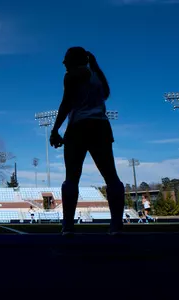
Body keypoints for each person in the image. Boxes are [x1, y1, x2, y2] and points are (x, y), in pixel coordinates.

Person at [49, 47, 124, 235]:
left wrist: (55, 129)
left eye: (66, 59)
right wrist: (95, 65)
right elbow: (106, 93)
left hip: (79, 127)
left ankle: (67, 226)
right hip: (101, 126)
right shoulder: (97, 76)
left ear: (73, 60)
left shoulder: (71, 75)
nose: (63, 63)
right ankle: (116, 225)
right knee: (111, 176)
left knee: (72, 177)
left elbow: (66, 103)